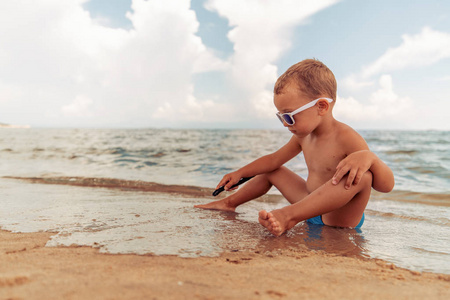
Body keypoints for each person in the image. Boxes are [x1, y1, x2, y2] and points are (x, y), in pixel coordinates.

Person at [195, 59, 394, 236]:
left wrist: (370, 158)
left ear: (321, 107)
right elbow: (273, 160)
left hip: (339, 218)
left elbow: (385, 186)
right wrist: (240, 173)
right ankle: (228, 204)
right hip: (309, 206)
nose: (285, 123)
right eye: (281, 116)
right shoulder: (303, 136)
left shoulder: (347, 138)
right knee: (271, 170)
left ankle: (288, 216)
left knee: (364, 176)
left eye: (289, 116)